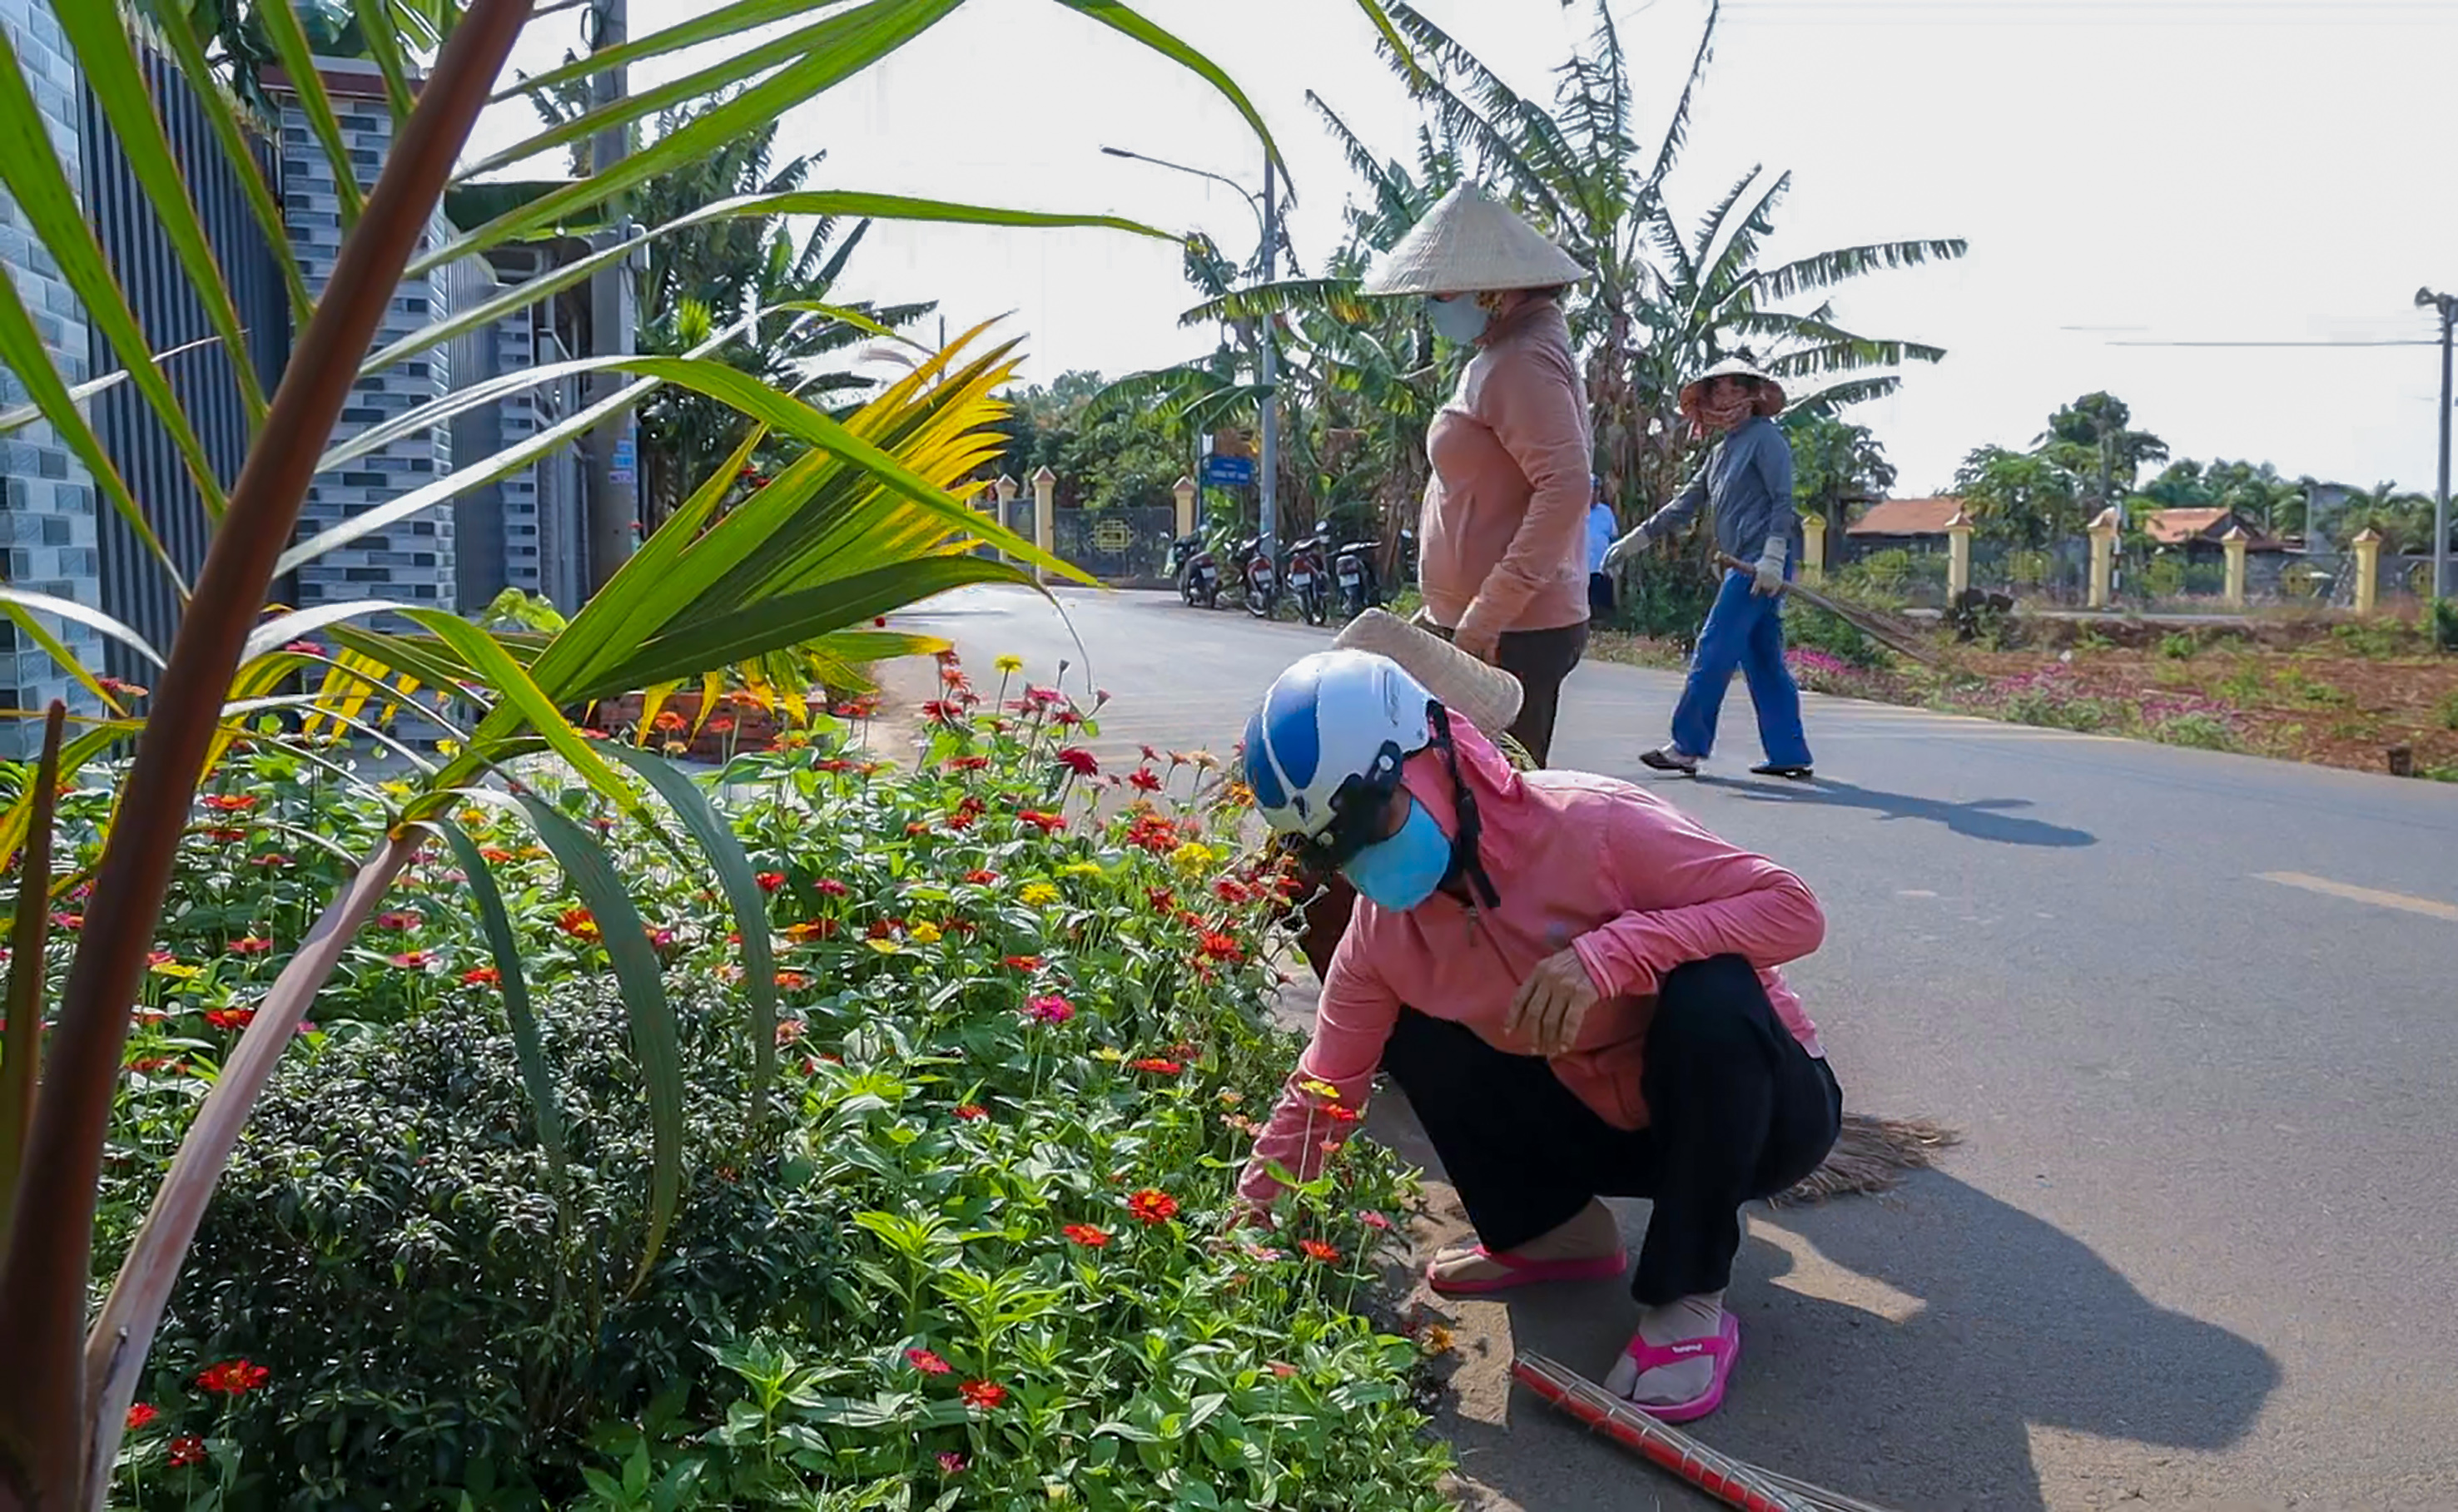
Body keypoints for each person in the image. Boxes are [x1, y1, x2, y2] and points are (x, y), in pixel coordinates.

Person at [1236, 648, 1841, 1421]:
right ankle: (1553, 1232)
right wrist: (1243, 1232)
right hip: (1607, 1122)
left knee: (1709, 991)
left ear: (1434, 753)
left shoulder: (1593, 824)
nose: (1365, 859)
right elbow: (1324, 1088)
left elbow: (1793, 910)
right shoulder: (1382, 937)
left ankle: (1689, 1293)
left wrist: (1613, 952)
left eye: (1371, 817)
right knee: (1410, 1032)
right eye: (1335, 847)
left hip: (1759, 1116)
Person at [1358, 183, 1592, 768]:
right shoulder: (1512, 348)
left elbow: (1565, 488)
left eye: (1441, 291)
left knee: (1491, 809)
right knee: (1468, 795)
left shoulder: (1520, 359)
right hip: (1485, 624)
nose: (1433, 305)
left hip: (1507, 631)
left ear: (1490, 288)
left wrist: (1486, 613)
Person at [1601, 358, 1815, 780]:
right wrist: (1634, 540)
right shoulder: (1721, 452)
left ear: (1750, 394)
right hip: (1746, 561)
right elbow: (1686, 504)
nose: (1720, 398)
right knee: (1762, 657)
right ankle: (1789, 750)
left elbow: (1782, 500)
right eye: (1714, 390)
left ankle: (1687, 746)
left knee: (1714, 646)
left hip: (1759, 564)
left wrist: (1773, 555)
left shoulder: (1766, 439)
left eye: (1729, 389)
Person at [1586, 475, 1618, 622]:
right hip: (1582, 567)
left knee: (1602, 602)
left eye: (1597, 491)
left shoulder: (1605, 512)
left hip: (1601, 566)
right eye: (1592, 490)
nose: (1595, 494)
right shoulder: (1576, 512)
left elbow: (1613, 535)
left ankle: (1606, 624)